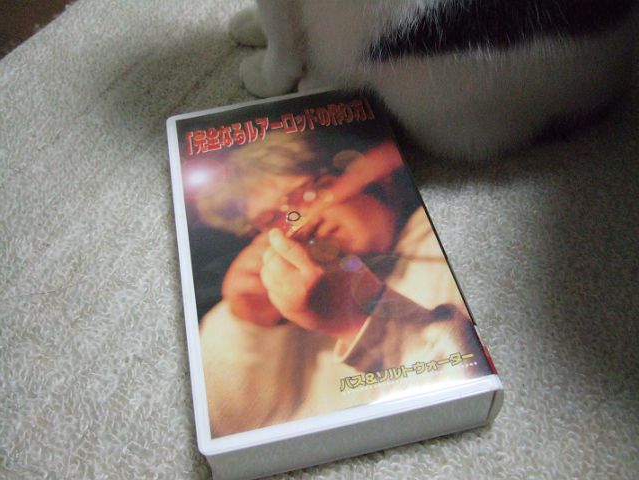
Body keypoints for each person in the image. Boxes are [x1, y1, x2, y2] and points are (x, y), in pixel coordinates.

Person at [195, 132, 485, 436]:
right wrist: (247, 328)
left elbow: (467, 394)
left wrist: (357, 321)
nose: (300, 222)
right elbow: (222, 429)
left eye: (305, 193)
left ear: (367, 173)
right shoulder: (289, 320)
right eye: (271, 221)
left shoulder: (451, 236)